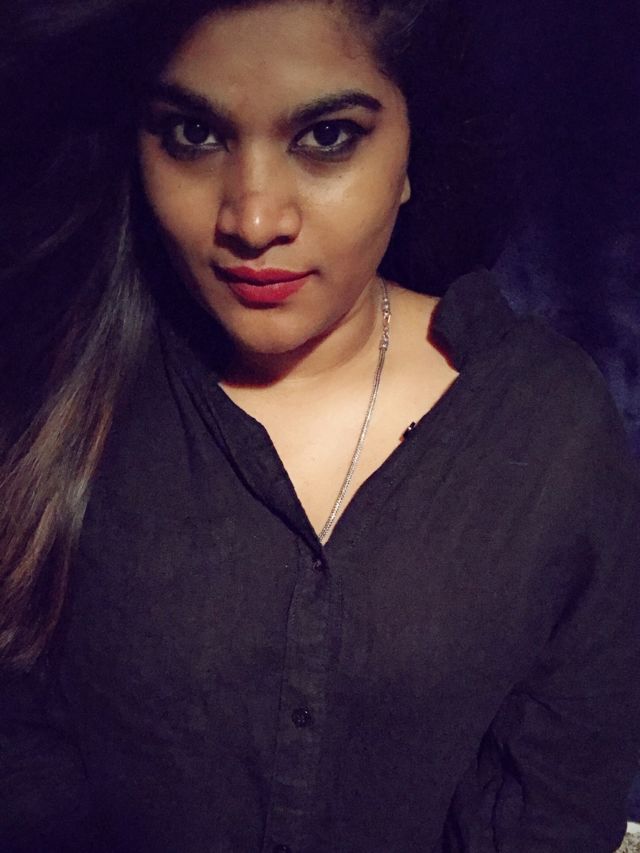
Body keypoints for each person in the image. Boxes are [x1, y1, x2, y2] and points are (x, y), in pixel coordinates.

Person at [0, 1, 638, 851]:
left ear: (412, 149)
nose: (254, 220)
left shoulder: (546, 430)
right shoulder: (60, 402)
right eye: (194, 133)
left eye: (328, 137)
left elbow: (552, 812)